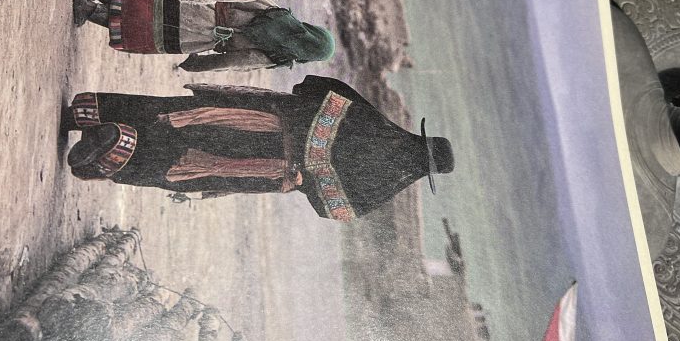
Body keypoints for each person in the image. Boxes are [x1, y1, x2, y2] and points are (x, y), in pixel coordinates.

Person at [63, 76, 454, 222]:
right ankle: (102, 161)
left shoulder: (376, 124)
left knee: (175, 116)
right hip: (266, 169)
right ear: (425, 171)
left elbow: (315, 87)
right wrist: (306, 178)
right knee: (180, 169)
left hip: (263, 124)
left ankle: (87, 116)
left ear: (420, 139)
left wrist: (303, 117)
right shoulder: (380, 188)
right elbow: (332, 210)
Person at [72, 0, 336, 72]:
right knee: (145, 28)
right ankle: (89, 10)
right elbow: (234, 61)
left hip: (202, 5)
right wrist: (198, 65)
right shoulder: (276, 56)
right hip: (202, 34)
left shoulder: (278, 13)